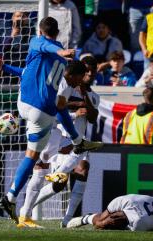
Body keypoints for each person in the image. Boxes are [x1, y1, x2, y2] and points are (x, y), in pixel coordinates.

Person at [0, 17, 103, 224]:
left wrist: (4, 68)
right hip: (42, 113)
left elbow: (27, 72)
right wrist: (61, 52)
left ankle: (13, 199)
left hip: (27, 107)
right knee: (41, 154)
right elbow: (44, 45)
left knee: (35, 158)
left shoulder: (40, 51)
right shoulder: (57, 58)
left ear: (40, 29)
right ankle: (72, 150)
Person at [27, 55, 100, 228]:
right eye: (86, 70)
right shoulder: (65, 87)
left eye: (92, 71)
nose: (89, 74)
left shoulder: (93, 96)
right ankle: (27, 208)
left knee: (82, 170)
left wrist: (85, 97)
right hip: (60, 140)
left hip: (78, 143)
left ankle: (66, 220)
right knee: (58, 184)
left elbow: (93, 118)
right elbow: (53, 113)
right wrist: (75, 113)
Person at [66, 194, 153, 231]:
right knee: (100, 220)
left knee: (101, 224)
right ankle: (86, 218)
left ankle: (86, 218)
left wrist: (104, 224)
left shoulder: (138, 225)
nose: (112, 217)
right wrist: (101, 222)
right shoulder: (119, 202)